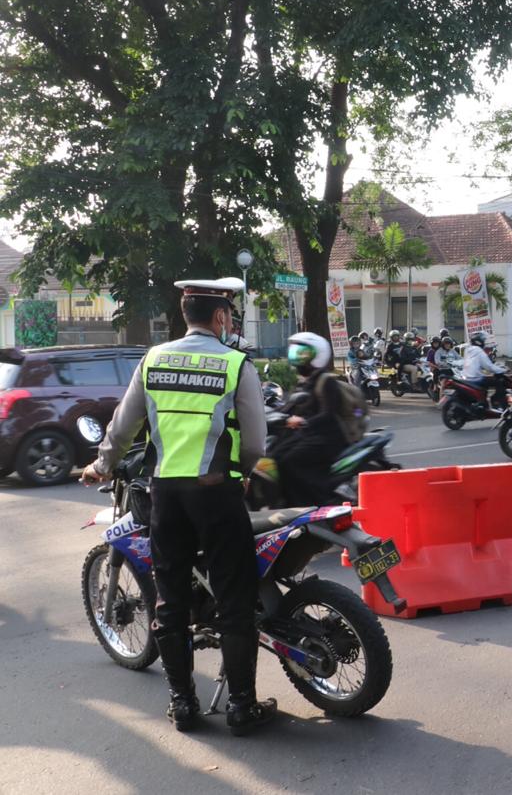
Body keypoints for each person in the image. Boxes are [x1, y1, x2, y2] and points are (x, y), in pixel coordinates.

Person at [80, 277, 275, 735]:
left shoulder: (152, 360)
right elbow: (256, 444)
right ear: (221, 317)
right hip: (218, 496)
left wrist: (102, 466)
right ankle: (241, 707)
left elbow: (123, 426)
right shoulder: (235, 364)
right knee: (235, 601)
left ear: (186, 314)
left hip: (167, 497)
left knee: (169, 601)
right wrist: (245, 472)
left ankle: (183, 705)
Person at [272, 332, 350, 506]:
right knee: (274, 456)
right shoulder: (304, 382)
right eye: (295, 353)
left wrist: (304, 421)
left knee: (289, 462)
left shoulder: (326, 381)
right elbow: (288, 406)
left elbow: (328, 414)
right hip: (307, 435)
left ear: (318, 355)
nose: (298, 358)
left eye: (303, 354)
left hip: (327, 438)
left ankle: (313, 504)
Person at [462, 331, 508, 410]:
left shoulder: (468, 350)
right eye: (483, 340)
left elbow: (477, 364)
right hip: (475, 377)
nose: (484, 342)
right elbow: (489, 367)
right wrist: (503, 370)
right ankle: (496, 403)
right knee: (498, 382)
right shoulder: (479, 351)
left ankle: (485, 401)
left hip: (466, 377)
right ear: (479, 341)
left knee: (487, 380)